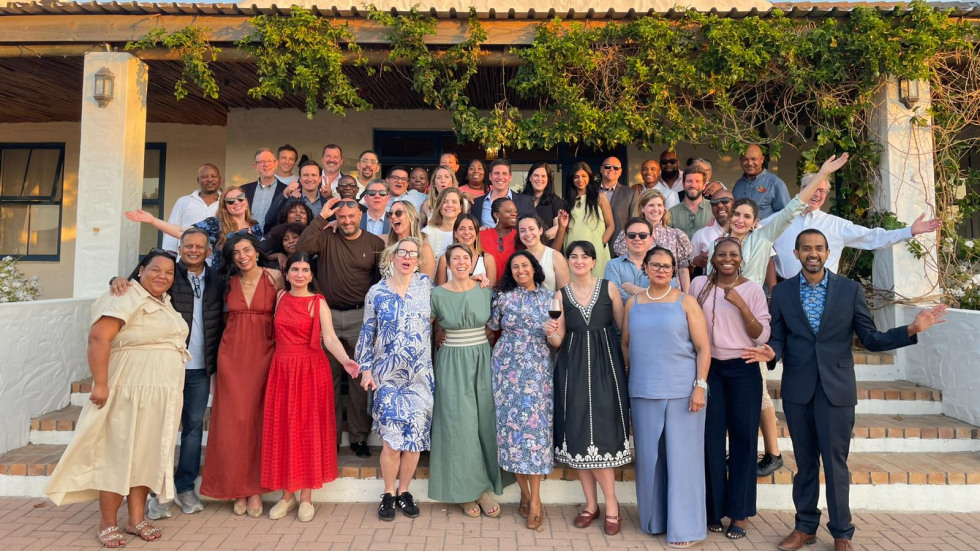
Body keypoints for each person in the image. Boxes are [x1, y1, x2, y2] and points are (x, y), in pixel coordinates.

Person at [742, 229, 947, 551]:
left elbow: (870, 339)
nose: (813, 253)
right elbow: (779, 338)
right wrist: (772, 352)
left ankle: (841, 533)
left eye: (819, 248)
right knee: (806, 463)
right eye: (806, 248)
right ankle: (805, 527)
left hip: (836, 390)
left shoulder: (849, 291)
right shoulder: (781, 294)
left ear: (827, 253)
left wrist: (911, 329)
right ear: (795, 254)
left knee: (836, 463)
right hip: (799, 389)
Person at [709, 155, 849, 477]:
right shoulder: (721, 245)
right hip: (721, 326)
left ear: (756, 220)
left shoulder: (762, 238)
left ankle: (773, 453)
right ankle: (754, 450)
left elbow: (793, 207)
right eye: (737, 215)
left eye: (747, 215)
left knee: (757, 387)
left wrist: (823, 172)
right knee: (744, 390)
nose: (741, 220)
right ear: (729, 217)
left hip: (749, 322)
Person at [46, 249, 188, 548]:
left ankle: (136, 519)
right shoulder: (125, 295)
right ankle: (107, 522)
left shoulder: (164, 303)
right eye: (155, 269)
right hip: (128, 390)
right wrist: (100, 383)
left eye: (169, 272)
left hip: (159, 394)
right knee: (118, 453)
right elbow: (99, 337)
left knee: (145, 454)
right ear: (141, 271)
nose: (163, 276)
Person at [108, 229, 226, 520]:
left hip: (199, 367)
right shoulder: (168, 273)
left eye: (200, 246)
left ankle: (184, 487)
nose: (194, 250)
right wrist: (116, 279)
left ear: (209, 251)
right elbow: (137, 285)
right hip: (164, 366)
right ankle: (156, 492)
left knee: (193, 427)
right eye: (189, 246)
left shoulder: (217, 279)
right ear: (180, 247)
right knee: (159, 429)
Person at [622, 246, 710, 549]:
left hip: (683, 392)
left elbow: (703, 348)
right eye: (655, 265)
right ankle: (654, 520)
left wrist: (700, 385)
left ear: (674, 270)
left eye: (667, 266)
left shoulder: (686, 302)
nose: (661, 270)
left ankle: (685, 528)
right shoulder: (633, 304)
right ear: (645, 268)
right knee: (649, 460)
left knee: (683, 460)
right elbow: (626, 344)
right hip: (644, 390)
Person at [262, 252, 357, 523]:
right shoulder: (280, 297)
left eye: (305, 270)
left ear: (311, 275)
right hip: (282, 368)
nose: (300, 274)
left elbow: (330, 338)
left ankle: (306, 497)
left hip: (310, 370)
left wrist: (346, 361)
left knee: (307, 430)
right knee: (284, 429)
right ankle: (286, 495)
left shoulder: (318, 303)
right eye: (295, 269)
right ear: (287, 272)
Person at [690, 238, 771, 540]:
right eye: (721, 254)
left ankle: (739, 513)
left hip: (742, 369)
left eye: (733, 255)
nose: (727, 258)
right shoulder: (699, 285)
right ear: (712, 258)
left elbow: (761, 333)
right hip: (709, 370)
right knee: (710, 439)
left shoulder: (751, 289)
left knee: (743, 440)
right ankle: (713, 509)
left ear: (741, 259)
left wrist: (739, 303)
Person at [200, 234, 282, 516]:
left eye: (247, 250)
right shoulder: (225, 281)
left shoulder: (275, 278)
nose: (242, 256)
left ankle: (255, 490)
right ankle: (237, 488)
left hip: (266, 354)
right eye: (236, 252)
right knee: (232, 423)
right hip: (232, 356)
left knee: (259, 421)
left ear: (256, 252)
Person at [298, 197, 385, 459]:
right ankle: (330, 438)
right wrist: (322, 218)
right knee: (328, 380)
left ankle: (359, 437)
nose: (346, 221)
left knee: (359, 381)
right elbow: (302, 248)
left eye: (351, 216)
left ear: (361, 214)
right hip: (328, 318)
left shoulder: (374, 243)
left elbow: (380, 282)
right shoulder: (325, 236)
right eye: (342, 217)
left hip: (361, 317)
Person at [555, 241, 631, 536]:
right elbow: (558, 339)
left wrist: (625, 367)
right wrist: (551, 335)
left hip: (606, 366)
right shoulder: (560, 295)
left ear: (593, 260)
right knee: (577, 436)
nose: (578, 261)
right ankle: (590, 505)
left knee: (602, 434)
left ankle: (611, 505)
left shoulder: (609, 288)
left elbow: (623, 331)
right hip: (572, 367)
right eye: (573, 256)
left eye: (584, 256)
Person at [355, 237, 434, 521]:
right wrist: (365, 369)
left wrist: (477, 278)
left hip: (420, 375)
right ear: (392, 257)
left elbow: (452, 297)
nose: (408, 257)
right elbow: (366, 332)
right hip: (386, 374)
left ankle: (404, 492)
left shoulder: (426, 286)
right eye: (403, 252)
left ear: (418, 260)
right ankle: (388, 494)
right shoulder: (376, 292)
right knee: (391, 441)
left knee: (413, 440)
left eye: (413, 254)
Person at [430, 243, 508, 518]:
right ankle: (464, 490)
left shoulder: (485, 290)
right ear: (447, 264)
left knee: (483, 421)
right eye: (455, 259)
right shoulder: (436, 294)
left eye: (466, 257)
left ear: (474, 261)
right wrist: (438, 328)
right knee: (458, 425)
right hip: (452, 361)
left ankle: (484, 487)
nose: (461, 262)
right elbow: (423, 323)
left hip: (482, 359)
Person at [766, 176, 941, 279]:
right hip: (784, 291)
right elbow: (752, 235)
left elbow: (873, 238)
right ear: (803, 189)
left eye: (823, 191)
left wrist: (908, 231)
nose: (817, 195)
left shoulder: (836, 225)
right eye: (814, 189)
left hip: (822, 294)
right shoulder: (779, 220)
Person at [125, 185, 262, 272]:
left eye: (240, 198)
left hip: (250, 282)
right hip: (224, 282)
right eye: (230, 201)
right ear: (225, 206)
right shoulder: (215, 224)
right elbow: (183, 232)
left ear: (246, 200)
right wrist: (154, 220)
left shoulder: (255, 226)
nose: (236, 203)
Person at [611, 189, 692, 291]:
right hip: (636, 293)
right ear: (642, 208)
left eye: (659, 205)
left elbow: (683, 270)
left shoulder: (676, 235)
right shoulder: (629, 235)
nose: (656, 209)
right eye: (651, 205)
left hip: (671, 295)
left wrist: (687, 296)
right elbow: (625, 266)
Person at [564, 162, 614, 277]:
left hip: (595, 249)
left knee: (598, 282)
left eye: (583, 176)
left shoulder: (599, 198)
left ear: (589, 177)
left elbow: (611, 225)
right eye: (576, 177)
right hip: (573, 250)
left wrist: (601, 244)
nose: (580, 180)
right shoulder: (566, 201)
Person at [161, 163, 222, 252]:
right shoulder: (183, 202)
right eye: (204, 177)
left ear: (220, 179)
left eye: (213, 176)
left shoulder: (227, 203)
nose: (209, 179)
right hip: (187, 258)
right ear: (198, 180)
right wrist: (168, 255)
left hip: (216, 260)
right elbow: (172, 230)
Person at [435, 214, 497, 287]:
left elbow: (490, 293)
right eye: (462, 229)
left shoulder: (488, 259)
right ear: (455, 233)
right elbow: (440, 292)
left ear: (477, 233)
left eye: (471, 228)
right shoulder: (445, 259)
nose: (466, 232)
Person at [732, 144, 791, 219]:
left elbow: (786, 215)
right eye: (745, 159)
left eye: (753, 159)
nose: (749, 163)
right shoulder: (738, 185)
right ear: (741, 160)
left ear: (762, 160)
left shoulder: (775, 184)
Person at [473, 158, 536, 228]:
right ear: (490, 176)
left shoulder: (525, 202)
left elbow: (534, 227)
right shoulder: (477, 203)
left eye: (504, 173)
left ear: (510, 177)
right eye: (496, 173)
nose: (500, 177)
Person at [604, 218, 653, 305]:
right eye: (632, 235)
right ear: (626, 239)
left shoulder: (661, 266)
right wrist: (651, 295)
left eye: (643, 235)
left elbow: (668, 294)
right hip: (622, 317)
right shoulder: (613, 265)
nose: (637, 238)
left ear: (651, 240)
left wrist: (635, 290)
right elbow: (614, 295)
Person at [516, 213, 570, 292]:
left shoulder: (555, 256)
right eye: (523, 230)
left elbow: (565, 292)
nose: (527, 234)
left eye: (531, 229)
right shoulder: (518, 258)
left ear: (540, 230)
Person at [521, 161, 568, 247]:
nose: (539, 179)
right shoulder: (521, 199)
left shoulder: (556, 201)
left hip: (548, 249)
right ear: (530, 178)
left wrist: (538, 237)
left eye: (543, 176)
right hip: (524, 250)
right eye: (536, 175)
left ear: (548, 179)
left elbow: (558, 226)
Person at [242, 148, 289, 233]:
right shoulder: (243, 190)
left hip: (274, 241)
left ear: (276, 164)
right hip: (247, 239)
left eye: (270, 161)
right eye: (262, 162)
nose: (266, 165)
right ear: (255, 166)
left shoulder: (286, 191)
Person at [387, 200, 437, 280]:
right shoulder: (386, 244)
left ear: (411, 216)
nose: (393, 216)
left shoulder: (423, 249)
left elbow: (426, 285)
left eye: (398, 213)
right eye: (390, 214)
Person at [598, 156, 638, 254]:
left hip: (619, 249)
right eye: (607, 166)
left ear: (620, 172)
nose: (612, 169)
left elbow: (635, 222)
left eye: (616, 168)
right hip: (594, 245)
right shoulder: (591, 192)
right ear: (601, 169)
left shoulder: (631, 194)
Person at [690, 189, 734, 272]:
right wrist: (694, 261)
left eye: (725, 201)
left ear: (734, 204)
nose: (720, 205)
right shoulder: (701, 235)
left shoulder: (748, 231)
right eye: (714, 203)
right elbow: (688, 270)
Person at [479, 198, 519, 281]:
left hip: (513, 290)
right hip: (486, 287)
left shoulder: (520, 237)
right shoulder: (481, 236)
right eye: (508, 211)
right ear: (496, 215)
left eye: (515, 212)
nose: (514, 214)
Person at [668, 167, 713, 239]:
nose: (693, 185)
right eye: (689, 181)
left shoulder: (714, 209)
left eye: (697, 181)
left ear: (704, 185)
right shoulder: (671, 213)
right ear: (683, 184)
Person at [423, 187, 464, 259]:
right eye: (445, 202)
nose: (450, 205)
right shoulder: (427, 233)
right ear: (439, 206)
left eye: (454, 202)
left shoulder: (468, 233)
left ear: (460, 208)